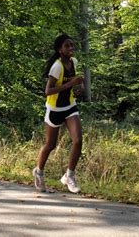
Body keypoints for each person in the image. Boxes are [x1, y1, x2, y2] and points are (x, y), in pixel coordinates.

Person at [33, 34, 84, 194]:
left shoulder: (74, 62)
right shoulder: (57, 67)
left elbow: (73, 85)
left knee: (78, 140)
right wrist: (70, 83)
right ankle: (39, 172)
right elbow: (48, 91)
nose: (71, 49)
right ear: (59, 50)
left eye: (72, 45)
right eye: (67, 46)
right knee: (50, 145)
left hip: (70, 106)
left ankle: (69, 176)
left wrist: (78, 89)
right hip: (54, 110)